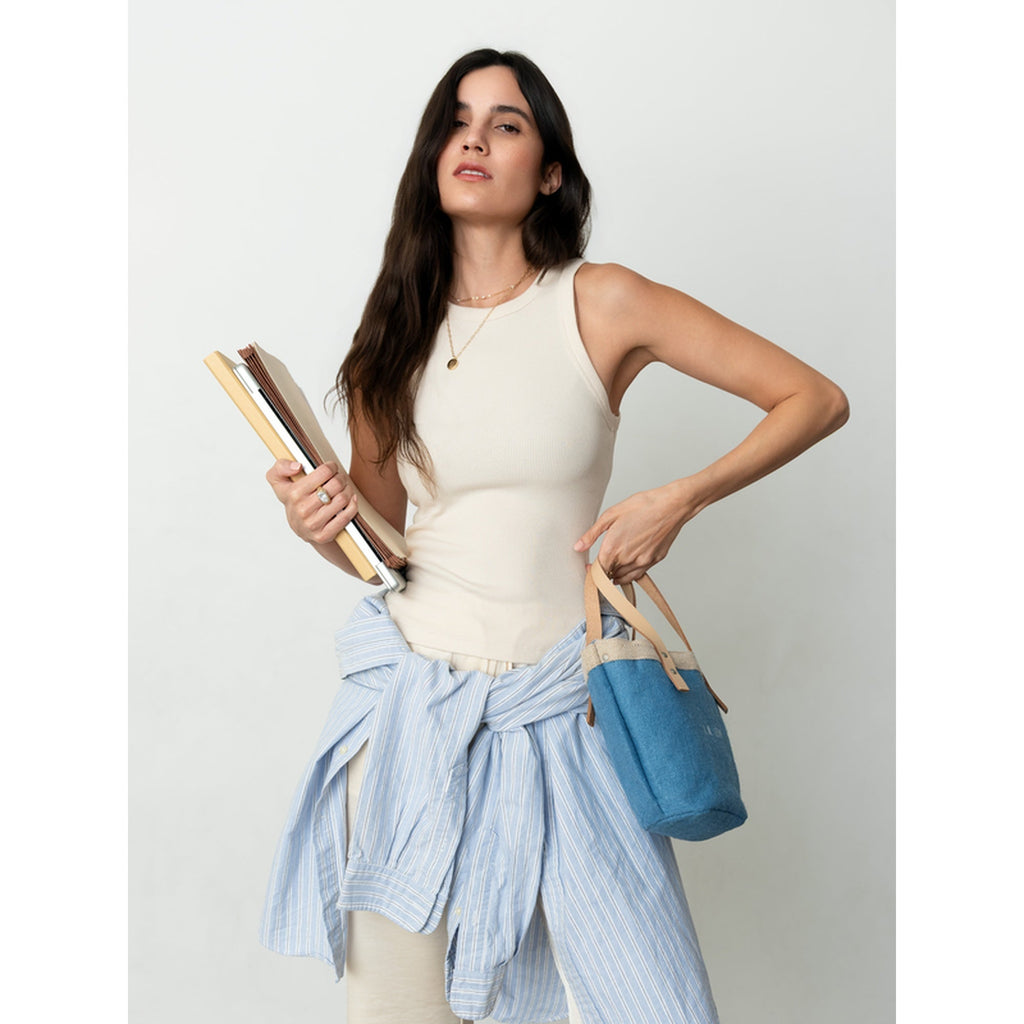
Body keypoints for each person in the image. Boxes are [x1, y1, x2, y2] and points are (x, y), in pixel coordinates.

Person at [260, 48, 848, 1024]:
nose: (475, 140)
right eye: (456, 122)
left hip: (562, 715)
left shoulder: (601, 301)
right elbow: (382, 545)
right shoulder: (392, 334)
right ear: (430, 157)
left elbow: (813, 398)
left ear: (550, 172)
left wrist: (682, 498)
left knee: (638, 997)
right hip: (409, 715)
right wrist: (315, 525)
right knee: (399, 1011)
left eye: (506, 124)